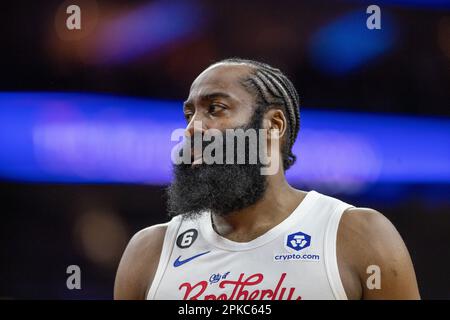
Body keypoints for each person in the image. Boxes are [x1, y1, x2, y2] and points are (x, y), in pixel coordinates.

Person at [114, 58, 420, 300]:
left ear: (273, 125)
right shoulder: (149, 251)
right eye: (189, 114)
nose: (193, 128)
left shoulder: (359, 236)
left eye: (215, 108)